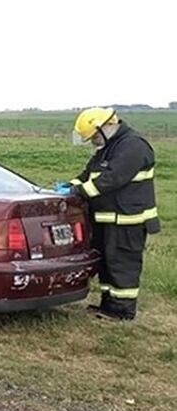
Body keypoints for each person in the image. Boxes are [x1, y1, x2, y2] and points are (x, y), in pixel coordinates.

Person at [69, 107, 159, 320]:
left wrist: (78, 191)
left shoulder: (133, 146)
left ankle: (122, 311)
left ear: (104, 127)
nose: (93, 142)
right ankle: (109, 305)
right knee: (107, 263)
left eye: (93, 137)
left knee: (122, 264)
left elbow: (111, 179)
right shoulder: (110, 148)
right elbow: (87, 175)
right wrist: (68, 186)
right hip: (109, 219)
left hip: (128, 220)